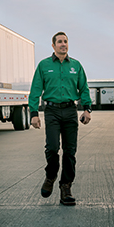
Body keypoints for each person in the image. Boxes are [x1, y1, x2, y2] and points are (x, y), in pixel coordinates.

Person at [29, 31, 92, 206]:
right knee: (52, 147)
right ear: (53, 45)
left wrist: (87, 109)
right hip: (52, 112)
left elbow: (84, 88)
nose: (63, 44)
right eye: (59, 42)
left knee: (70, 151)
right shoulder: (44, 65)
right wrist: (34, 113)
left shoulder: (76, 66)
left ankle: (66, 188)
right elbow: (35, 90)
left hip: (70, 111)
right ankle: (50, 176)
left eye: (65, 41)